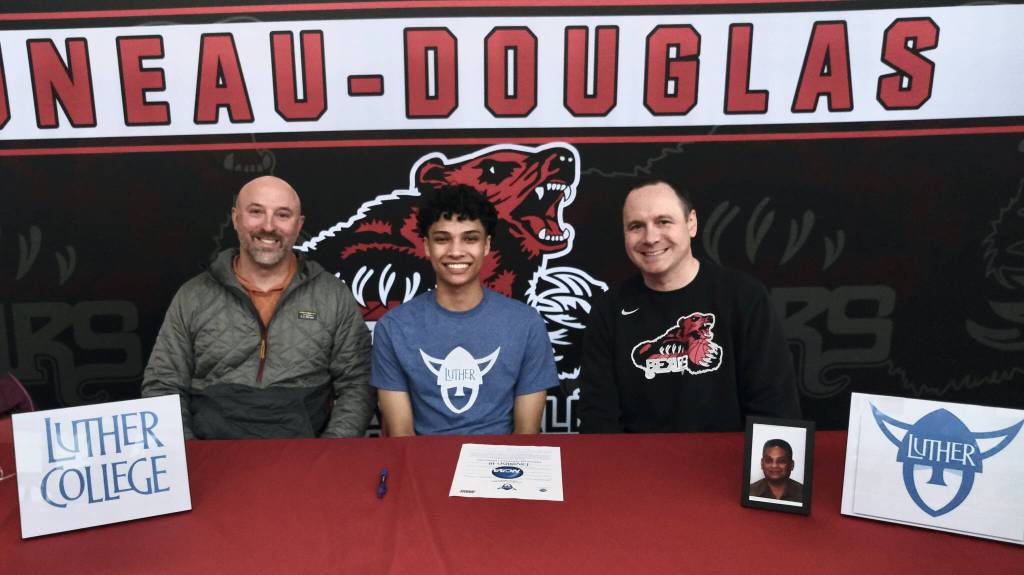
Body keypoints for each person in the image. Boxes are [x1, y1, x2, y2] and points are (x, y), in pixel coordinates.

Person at [142, 176, 375, 439]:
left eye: (282, 215)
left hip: (304, 459)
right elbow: (163, 384)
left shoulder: (332, 296)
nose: (268, 226)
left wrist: (327, 452)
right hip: (213, 458)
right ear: (236, 218)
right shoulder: (194, 296)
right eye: (256, 212)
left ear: (298, 225)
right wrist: (190, 456)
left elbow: (358, 385)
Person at [579, 178, 801, 433]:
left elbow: (776, 407)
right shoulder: (609, 310)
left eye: (664, 222)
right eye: (636, 226)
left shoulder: (743, 296)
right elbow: (598, 418)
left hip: (727, 468)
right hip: (638, 469)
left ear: (691, 223)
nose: (650, 238)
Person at [371, 184, 558, 435]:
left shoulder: (525, 324)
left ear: (486, 245)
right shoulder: (393, 328)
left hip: (502, 468)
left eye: (470, 238)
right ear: (426, 246)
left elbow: (526, 436)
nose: (456, 251)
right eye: (442, 239)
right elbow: (402, 438)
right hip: (425, 468)